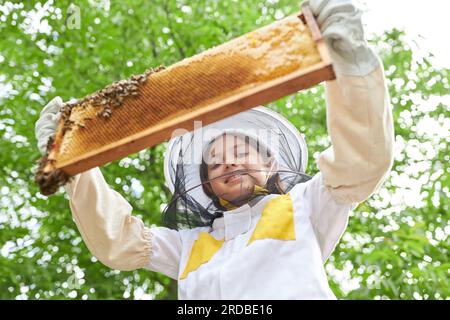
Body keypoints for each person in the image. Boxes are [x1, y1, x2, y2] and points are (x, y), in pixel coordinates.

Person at [34, 0, 394, 299]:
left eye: (239, 152)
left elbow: (359, 165)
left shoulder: (306, 204)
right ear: (206, 184)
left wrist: (352, 68)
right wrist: (75, 168)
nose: (228, 164)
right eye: (215, 163)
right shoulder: (188, 245)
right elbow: (118, 242)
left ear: (270, 162)